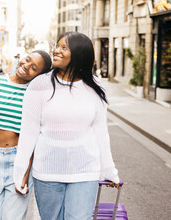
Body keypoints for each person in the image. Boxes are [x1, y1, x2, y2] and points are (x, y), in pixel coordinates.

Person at [13, 32, 120, 220]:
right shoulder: (40, 84)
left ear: (79, 54)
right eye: (57, 45)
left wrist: (110, 171)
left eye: (64, 47)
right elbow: (29, 132)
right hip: (47, 172)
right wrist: (20, 171)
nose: (56, 50)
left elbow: (101, 132)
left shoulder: (95, 86)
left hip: (85, 171)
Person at [0, 50, 52, 220]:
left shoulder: (36, 95)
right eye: (27, 60)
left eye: (34, 68)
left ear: (39, 75)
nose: (26, 66)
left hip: (20, 160)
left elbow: (34, 137)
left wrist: (25, 173)